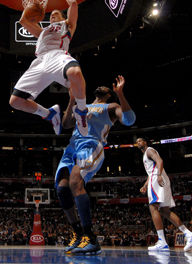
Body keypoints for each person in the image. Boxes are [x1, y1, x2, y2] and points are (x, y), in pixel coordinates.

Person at [55, 76, 136, 255]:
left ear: (108, 94)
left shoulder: (111, 107)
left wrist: (120, 94)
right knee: (62, 188)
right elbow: (67, 124)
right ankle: (78, 234)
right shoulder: (81, 106)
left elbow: (130, 120)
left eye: (105, 86)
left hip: (91, 145)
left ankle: (91, 238)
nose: (100, 85)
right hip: (72, 147)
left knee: (75, 182)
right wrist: (72, 100)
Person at [9, 0, 89, 136]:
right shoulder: (42, 31)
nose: (52, 14)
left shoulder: (67, 25)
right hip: (40, 62)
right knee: (15, 101)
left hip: (58, 56)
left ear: (63, 17)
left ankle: (82, 112)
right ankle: (49, 113)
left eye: (56, 13)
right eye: (51, 14)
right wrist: (30, 4)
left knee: (75, 72)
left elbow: (73, 4)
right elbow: (23, 21)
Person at [137, 137, 192, 252]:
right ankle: (189, 234)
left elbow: (160, 161)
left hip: (157, 178)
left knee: (153, 207)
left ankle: (162, 241)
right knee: (165, 210)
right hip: (157, 178)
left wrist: (159, 175)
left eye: (140, 141)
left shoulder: (149, 151)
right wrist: (145, 185)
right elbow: (150, 172)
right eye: (136, 142)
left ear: (145, 142)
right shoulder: (145, 154)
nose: (138, 143)